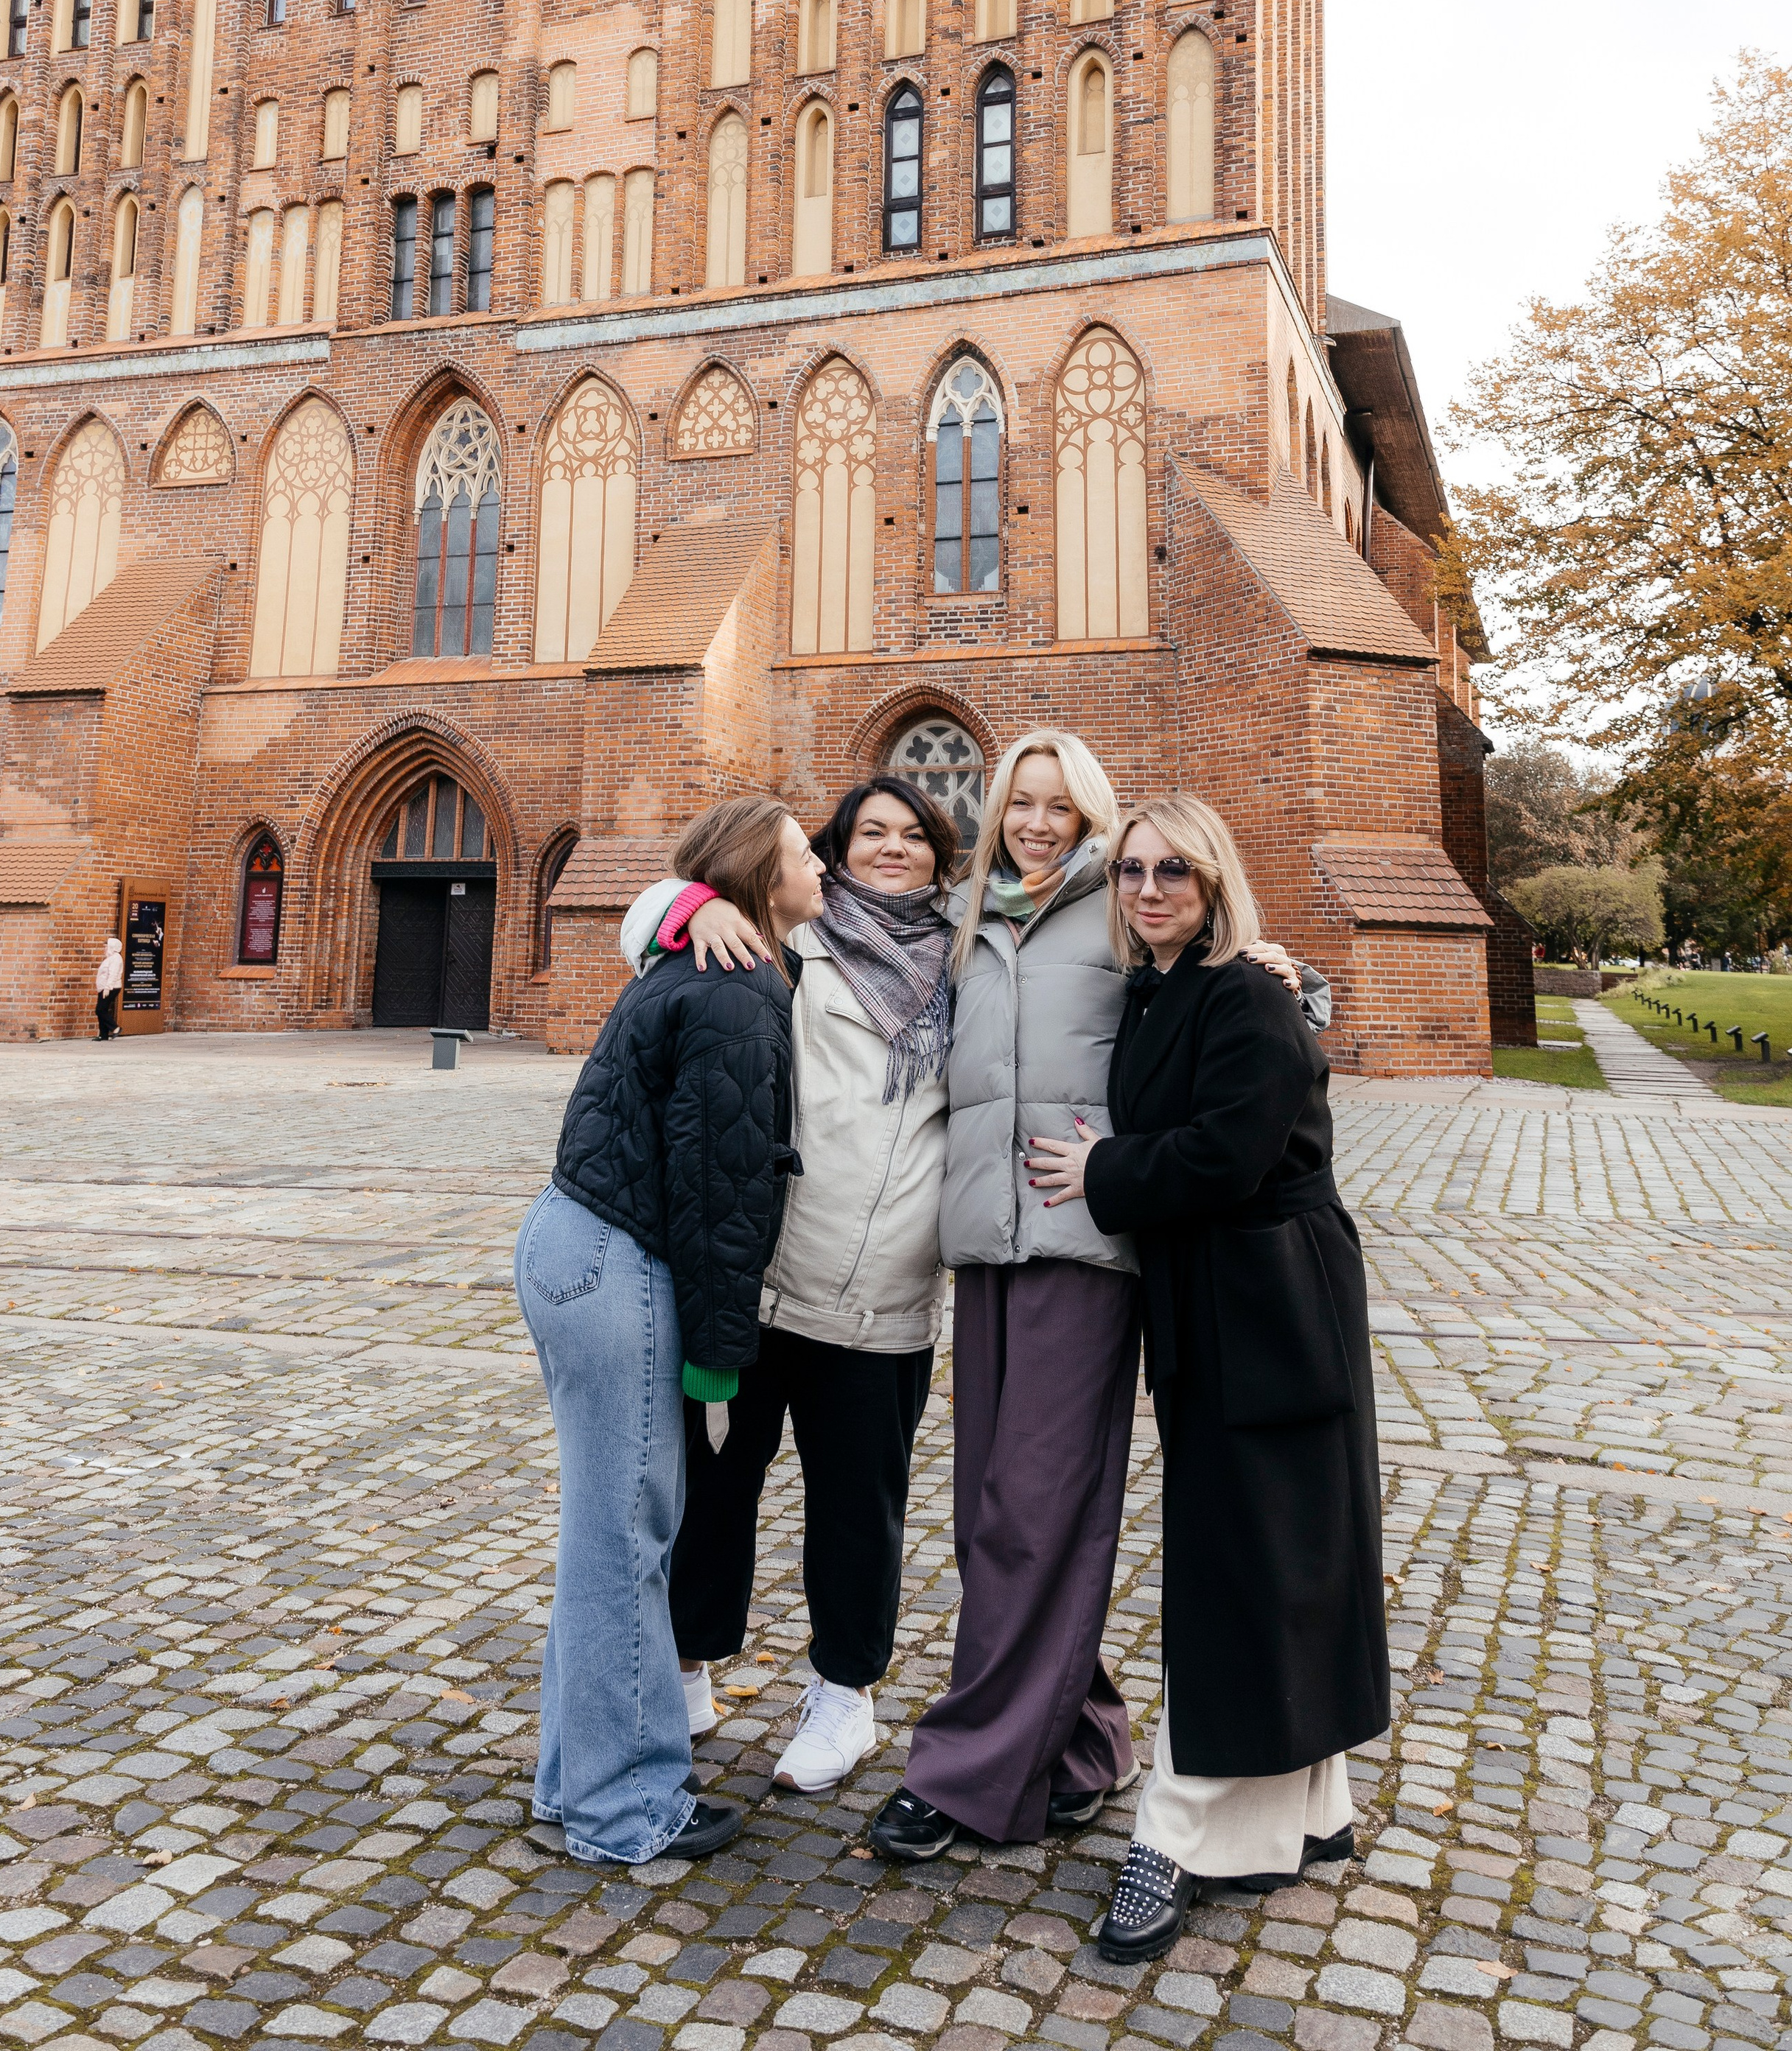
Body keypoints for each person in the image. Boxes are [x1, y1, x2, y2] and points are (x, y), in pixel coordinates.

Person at [869, 733, 1329, 1864]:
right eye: (1020, 803)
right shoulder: (965, 919)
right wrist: (684, 908)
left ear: (1092, 819)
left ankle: (970, 1773)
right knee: (989, 1517)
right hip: (985, 1243)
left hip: (1087, 1241)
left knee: (1034, 1511)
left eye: (1060, 807)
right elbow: (832, 918)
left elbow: (1221, 986)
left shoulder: (1120, 912)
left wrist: (1293, 978)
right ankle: (1085, 1744)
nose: (1037, 824)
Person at [1024, 794, 1387, 1963]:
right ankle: (1308, 1807)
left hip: (1271, 1304)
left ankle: (1176, 1830)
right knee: (1271, 1554)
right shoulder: (1164, 987)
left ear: (1215, 879)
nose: (1148, 889)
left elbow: (1230, 1154)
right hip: (1216, 1300)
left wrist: (1104, 1170)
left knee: (1255, 1559)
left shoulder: (1244, 995)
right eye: (1131, 871)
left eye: (1173, 870)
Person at [621, 774, 961, 1795]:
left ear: (941, 853)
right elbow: (646, 929)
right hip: (763, 1277)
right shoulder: (788, 936)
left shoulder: (969, 959)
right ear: (836, 849)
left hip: (886, 1285)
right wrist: (693, 902)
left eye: (912, 835)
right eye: (869, 833)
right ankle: (687, 1667)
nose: (891, 848)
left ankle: (844, 1695)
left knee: (859, 1507)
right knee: (714, 1487)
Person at [514, 793, 823, 1870]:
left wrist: (685, 902)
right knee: (626, 1542)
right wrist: (718, 1360)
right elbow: (720, 1192)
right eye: (804, 854)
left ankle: (573, 1779)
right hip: (619, 1255)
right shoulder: (737, 991)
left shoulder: (703, 957)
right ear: (761, 876)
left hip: (574, 1236)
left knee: (603, 1533)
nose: (821, 867)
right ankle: (625, 1809)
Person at [94, 936, 123, 1039]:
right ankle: (103, 1035)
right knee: (103, 1009)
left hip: (111, 988)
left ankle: (115, 1028)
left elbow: (113, 974)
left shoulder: (116, 958)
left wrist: (107, 988)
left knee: (100, 1010)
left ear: (111, 947)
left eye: (105, 947)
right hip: (105, 987)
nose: (104, 949)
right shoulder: (110, 958)